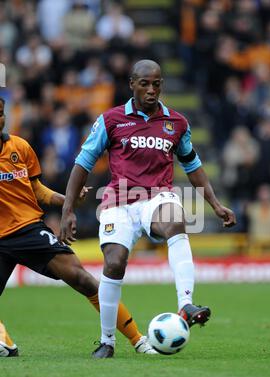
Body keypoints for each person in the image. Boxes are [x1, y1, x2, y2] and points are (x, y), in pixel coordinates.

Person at [60, 60, 236, 359]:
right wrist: (67, 210)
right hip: (118, 200)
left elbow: (192, 165)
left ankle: (186, 303)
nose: (151, 90)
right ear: (132, 84)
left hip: (158, 196)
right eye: (145, 83)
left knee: (175, 221)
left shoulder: (177, 123)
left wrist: (215, 204)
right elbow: (83, 164)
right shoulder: (111, 120)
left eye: (157, 84)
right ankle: (107, 340)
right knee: (114, 263)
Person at [0, 97, 156, 357]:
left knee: (83, 280)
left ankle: (138, 340)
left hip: (28, 230)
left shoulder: (20, 147)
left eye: (1, 113)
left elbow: (36, 190)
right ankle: (6, 343)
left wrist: (67, 200)